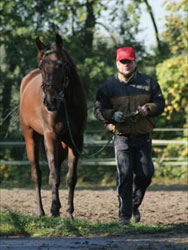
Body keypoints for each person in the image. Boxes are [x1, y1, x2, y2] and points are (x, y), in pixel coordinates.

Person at [94, 46, 165, 225]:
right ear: (117, 63)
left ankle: (134, 204)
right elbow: (97, 110)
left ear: (135, 62)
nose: (126, 65)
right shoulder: (107, 87)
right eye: (122, 62)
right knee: (124, 175)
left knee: (146, 174)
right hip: (121, 137)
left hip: (143, 137)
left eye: (129, 61)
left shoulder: (149, 83)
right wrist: (111, 115)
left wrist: (148, 109)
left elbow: (160, 103)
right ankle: (124, 216)